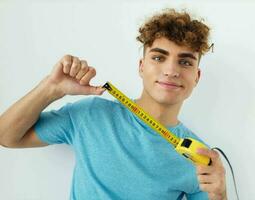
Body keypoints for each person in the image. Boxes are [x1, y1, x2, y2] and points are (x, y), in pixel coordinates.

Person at [0, 8, 227, 200]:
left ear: (196, 76)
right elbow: (6, 136)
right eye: (158, 57)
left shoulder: (202, 160)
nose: (171, 71)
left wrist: (220, 195)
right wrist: (51, 88)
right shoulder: (90, 114)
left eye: (185, 62)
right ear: (141, 66)